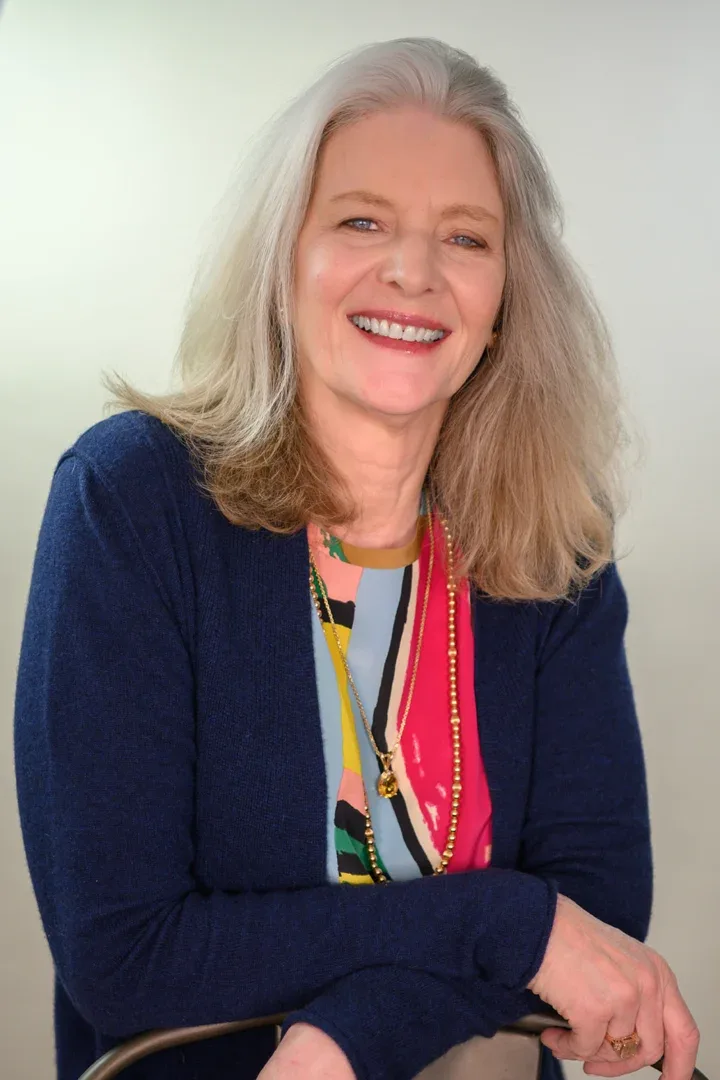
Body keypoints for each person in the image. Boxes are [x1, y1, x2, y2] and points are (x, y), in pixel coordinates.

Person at [13, 35, 700, 1080]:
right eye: (362, 220)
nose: (413, 272)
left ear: (510, 292)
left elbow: (594, 914)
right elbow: (129, 956)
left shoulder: (557, 540)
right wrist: (510, 926)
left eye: (465, 238)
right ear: (285, 256)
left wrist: (350, 1039)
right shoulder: (132, 504)